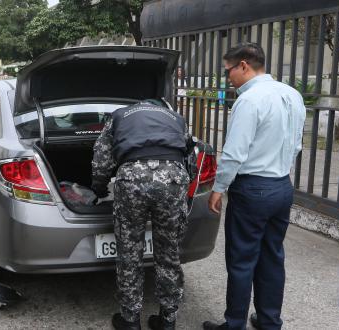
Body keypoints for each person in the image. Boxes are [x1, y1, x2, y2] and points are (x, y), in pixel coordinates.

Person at [203, 43, 306, 330]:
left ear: (244, 66)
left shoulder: (249, 101)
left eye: (228, 71)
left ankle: (234, 323)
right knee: (272, 256)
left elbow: (235, 152)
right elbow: (297, 143)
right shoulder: (292, 95)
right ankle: (269, 321)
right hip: (281, 186)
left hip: (252, 190)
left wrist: (218, 187)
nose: (228, 79)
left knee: (241, 259)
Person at [92, 99, 193, 330]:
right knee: (169, 254)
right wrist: (183, 190)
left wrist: (98, 187)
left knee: (130, 253)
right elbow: (189, 154)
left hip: (132, 179)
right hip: (172, 179)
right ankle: (167, 321)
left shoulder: (119, 116)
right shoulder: (175, 117)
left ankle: (130, 321)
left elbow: (101, 157)